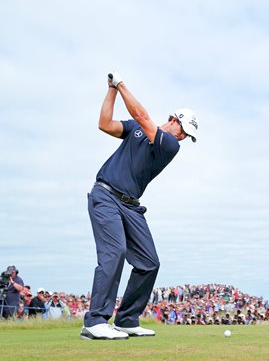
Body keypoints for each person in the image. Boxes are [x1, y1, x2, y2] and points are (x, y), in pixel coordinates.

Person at [80, 71, 198, 341]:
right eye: (184, 131)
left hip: (131, 207)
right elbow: (104, 124)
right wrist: (111, 89)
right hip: (106, 196)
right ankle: (95, 321)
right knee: (115, 251)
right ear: (174, 120)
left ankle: (126, 320)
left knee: (149, 262)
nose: (182, 138)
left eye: (187, 136)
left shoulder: (169, 145)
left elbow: (144, 119)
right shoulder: (134, 129)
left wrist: (121, 84)